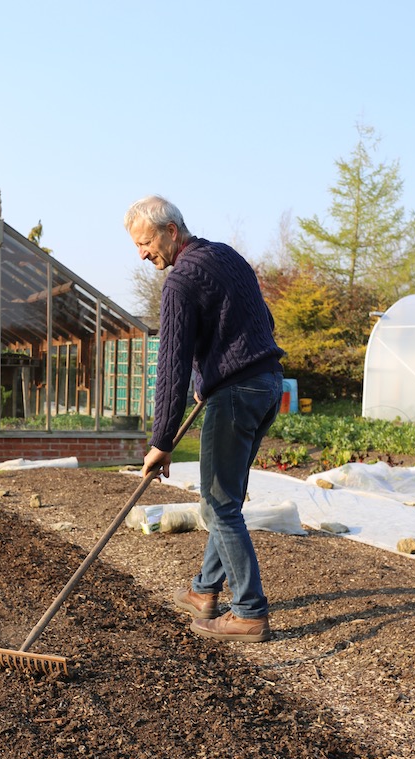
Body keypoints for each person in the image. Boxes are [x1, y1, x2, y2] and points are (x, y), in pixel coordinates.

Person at [124, 195, 285, 642]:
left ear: (171, 231)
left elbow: (170, 366)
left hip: (237, 394)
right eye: (137, 246)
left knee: (218, 505)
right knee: (226, 497)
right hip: (268, 384)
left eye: (146, 242)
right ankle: (204, 591)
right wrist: (211, 372)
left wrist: (162, 441)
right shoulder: (226, 256)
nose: (142, 253)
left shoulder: (179, 283)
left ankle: (250, 611)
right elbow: (260, 319)